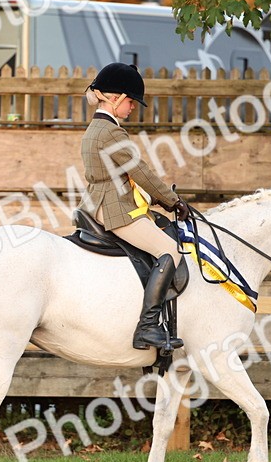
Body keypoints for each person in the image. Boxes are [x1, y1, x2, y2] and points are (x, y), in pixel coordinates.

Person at [80, 62, 191, 350]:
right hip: (115, 209)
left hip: (100, 201)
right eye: (130, 101)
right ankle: (147, 327)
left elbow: (122, 175)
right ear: (114, 98)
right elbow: (140, 171)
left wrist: (155, 198)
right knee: (169, 250)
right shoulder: (111, 132)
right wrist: (172, 199)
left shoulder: (97, 127)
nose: (132, 107)